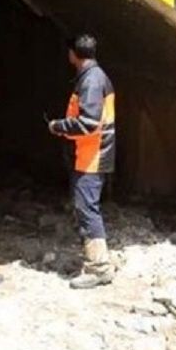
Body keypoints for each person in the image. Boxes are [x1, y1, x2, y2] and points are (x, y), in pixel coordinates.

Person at [47, 34, 116, 289]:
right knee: (84, 206)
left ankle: (99, 268)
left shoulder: (92, 81)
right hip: (87, 154)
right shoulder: (92, 77)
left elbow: (88, 123)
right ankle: (95, 259)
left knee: (87, 207)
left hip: (92, 155)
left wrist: (59, 126)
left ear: (73, 54)